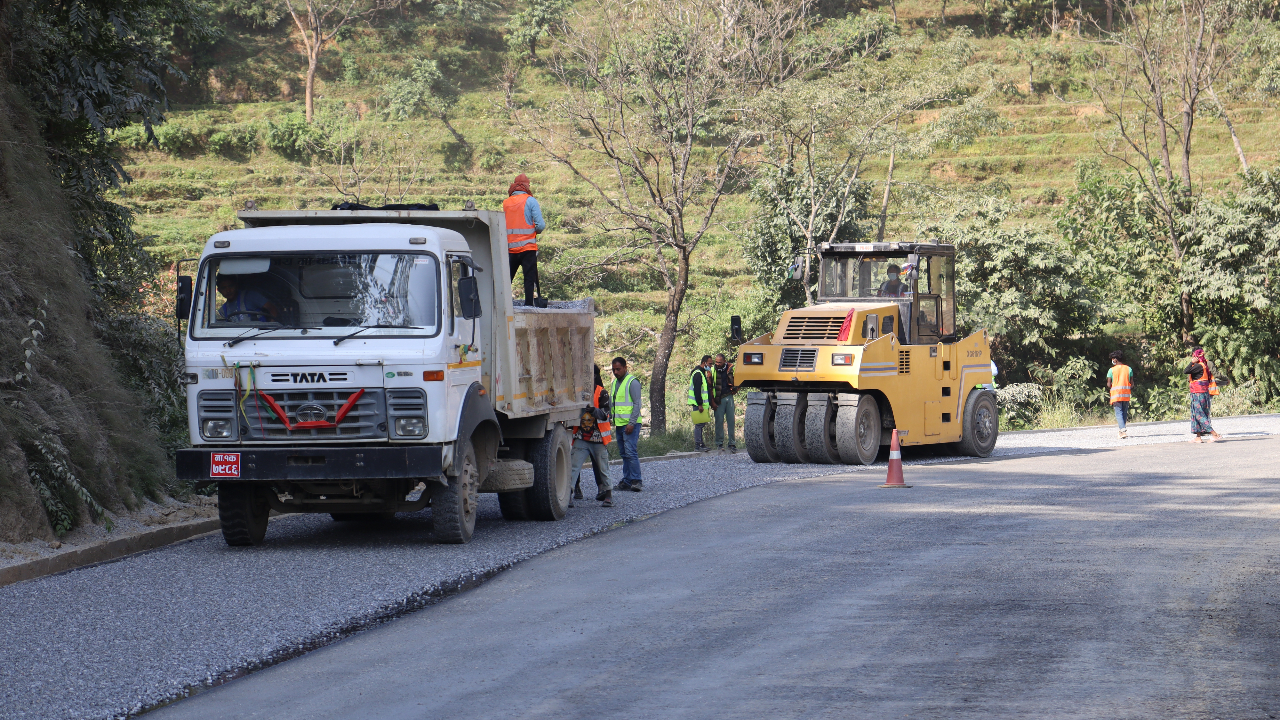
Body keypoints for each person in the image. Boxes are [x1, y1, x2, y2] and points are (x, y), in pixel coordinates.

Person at [569, 365, 614, 508]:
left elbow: (606, 415)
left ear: (594, 376)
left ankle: (608, 495)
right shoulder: (577, 393)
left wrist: (594, 411)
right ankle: (568, 496)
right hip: (581, 437)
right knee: (573, 468)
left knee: (603, 468)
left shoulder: (602, 393)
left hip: (598, 438)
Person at [503, 173, 546, 307]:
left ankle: (503, 304)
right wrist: (534, 231)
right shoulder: (530, 200)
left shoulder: (506, 203)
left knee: (506, 279)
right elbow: (541, 225)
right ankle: (529, 305)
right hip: (528, 248)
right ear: (526, 185)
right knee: (529, 278)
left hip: (510, 249)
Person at [611, 357, 644, 492]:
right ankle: (627, 480)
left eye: (618, 369)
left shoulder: (632, 382)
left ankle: (636, 480)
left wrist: (631, 423)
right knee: (624, 453)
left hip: (631, 424)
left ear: (625, 367)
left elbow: (637, 404)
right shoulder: (615, 383)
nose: (616, 372)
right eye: (614, 369)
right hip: (619, 424)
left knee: (630, 452)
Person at [1184, 347, 1227, 443]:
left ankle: (1215, 434)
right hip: (1199, 392)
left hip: (1199, 393)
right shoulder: (1203, 365)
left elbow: (1186, 371)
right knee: (1195, 414)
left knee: (1200, 414)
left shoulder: (1199, 366)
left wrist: (1192, 363)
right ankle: (1198, 437)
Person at [710, 353, 737, 453]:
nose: (717, 363)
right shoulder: (712, 370)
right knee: (719, 421)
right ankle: (719, 444)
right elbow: (710, 386)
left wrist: (735, 388)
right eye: (716, 362)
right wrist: (712, 401)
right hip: (718, 399)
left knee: (731, 421)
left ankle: (732, 444)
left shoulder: (729, 368)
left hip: (728, 397)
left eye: (719, 362)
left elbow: (736, 380)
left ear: (724, 361)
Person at [1105, 350, 1133, 439]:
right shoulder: (1129, 369)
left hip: (1116, 395)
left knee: (1118, 413)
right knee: (1124, 413)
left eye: (1113, 359)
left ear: (1115, 359)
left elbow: (1109, 384)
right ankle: (1122, 430)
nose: (1112, 360)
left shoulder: (1111, 370)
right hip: (1126, 394)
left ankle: (1123, 431)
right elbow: (1132, 383)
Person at [689, 355, 713, 452]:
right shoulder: (698, 373)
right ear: (704, 363)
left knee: (701, 424)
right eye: (710, 363)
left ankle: (701, 444)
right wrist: (699, 404)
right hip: (698, 404)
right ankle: (698, 446)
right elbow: (697, 390)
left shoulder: (702, 373)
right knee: (699, 425)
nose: (711, 366)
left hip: (701, 404)